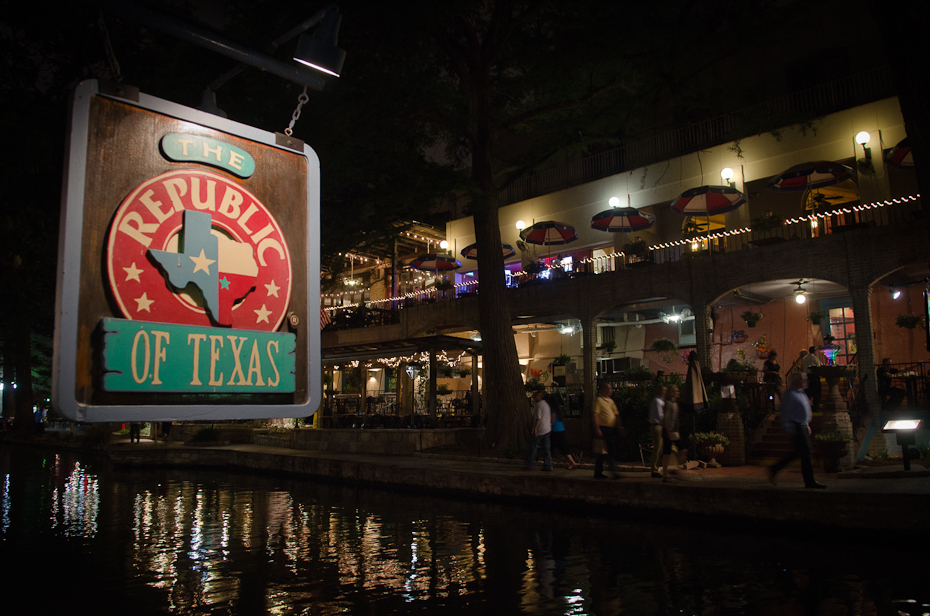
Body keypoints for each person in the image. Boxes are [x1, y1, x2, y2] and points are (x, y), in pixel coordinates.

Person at [767, 372, 827, 489]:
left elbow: (801, 410)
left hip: (802, 425)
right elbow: (785, 412)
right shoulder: (791, 394)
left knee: (798, 452)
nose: (806, 381)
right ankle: (809, 481)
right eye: (803, 379)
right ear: (796, 381)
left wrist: (806, 424)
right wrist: (789, 428)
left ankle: (775, 468)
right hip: (797, 426)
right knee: (806, 453)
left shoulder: (801, 392)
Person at [592, 382, 622, 479]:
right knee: (605, 450)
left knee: (605, 451)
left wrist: (619, 427)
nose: (610, 391)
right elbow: (595, 415)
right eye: (608, 389)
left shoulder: (611, 401)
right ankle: (611, 470)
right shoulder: (598, 400)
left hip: (610, 429)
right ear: (603, 390)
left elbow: (616, 414)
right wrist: (597, 428)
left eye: (610, 389)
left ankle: (599, 471)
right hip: (603, 428)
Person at [661, 385, 689, 482]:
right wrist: (669, 430)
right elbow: (667, 418)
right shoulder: (669, 404)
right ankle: (665, 474)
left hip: (674, 431)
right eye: (676, 391)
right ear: (672, 393)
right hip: (669, 431)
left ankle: (674, 469)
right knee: (667, 453)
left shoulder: (674, 403)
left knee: (683, 450)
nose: (678, 393)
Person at [547, 394, 578, 470]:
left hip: (554, 430)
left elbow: (552, 420)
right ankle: (571, 462)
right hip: (560, 428)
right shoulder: (558, 408)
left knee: (551, 447)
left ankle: (548, 463)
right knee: (560, 447)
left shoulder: (552, 409)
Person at [525, 387, 553, 471]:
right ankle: (548, 465)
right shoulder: (546, 404)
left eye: (535, 396)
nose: (533, 397)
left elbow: (538, 418)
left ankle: (529, 464)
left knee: (533, 446)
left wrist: (535, 429)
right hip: (547, 429)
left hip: (540, 429)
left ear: (539, 396)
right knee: (546, 448)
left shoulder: (538, 405)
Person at [647, 385, 666, 478]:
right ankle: (654, 469)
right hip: (657, 426)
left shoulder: (658, 400)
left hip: (657, 425)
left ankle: (656, 468)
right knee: (658, 448)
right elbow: (660, 415)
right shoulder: (657, 401)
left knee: (659, 448)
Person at [801, 346, 822, 411]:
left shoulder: (804, 358)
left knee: (808, 392)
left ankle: (807, 406)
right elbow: (819, 365)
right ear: (814, 351)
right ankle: (815, 407)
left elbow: (803, 366)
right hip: (814, 376)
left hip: (806, 376)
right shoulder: (814, 357)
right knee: (817, 392)